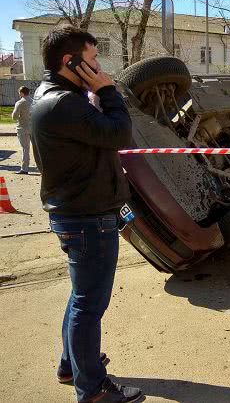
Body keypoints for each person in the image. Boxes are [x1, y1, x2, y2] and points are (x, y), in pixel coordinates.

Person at [30, 26, 141, 403]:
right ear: (70, 62)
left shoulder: (60, 97)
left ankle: (70, 365)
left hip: (80, 213)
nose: (98, 67)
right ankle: (91, 389)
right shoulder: (63, 103)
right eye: (92, 60)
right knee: (89, 305)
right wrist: (107, 90)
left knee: (81, 298)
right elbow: (120, 133)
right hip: (87, 218)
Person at [12, 86, 33, 174]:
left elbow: (14, 117)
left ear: (21, 93)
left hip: (22, 128)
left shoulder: (20, 103)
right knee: (36, 148)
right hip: (33, 127)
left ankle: (24, 168)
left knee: (25, 148)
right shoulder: (34, 101)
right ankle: (42, 168)